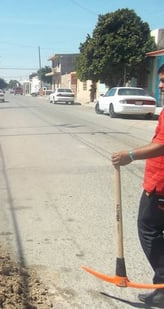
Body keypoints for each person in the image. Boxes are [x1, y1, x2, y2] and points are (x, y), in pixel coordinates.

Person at [112, 63, 164, 305]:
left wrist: (129, 156)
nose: (160, 85)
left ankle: (163, 285)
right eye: (161, 80)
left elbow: (162, 146)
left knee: (149, 230)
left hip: (160, 186)